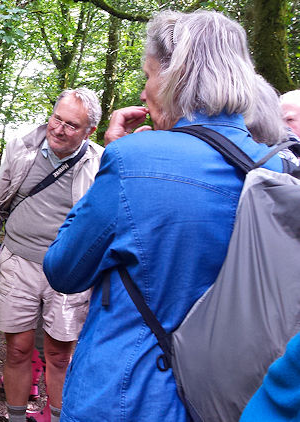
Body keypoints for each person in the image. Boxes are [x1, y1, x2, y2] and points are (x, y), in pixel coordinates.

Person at [43, 10, 284, 421]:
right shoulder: (279, 169)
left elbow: (64, 269)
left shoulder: (135, 159)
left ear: (177, 76)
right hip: (237, 397)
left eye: (149, 75)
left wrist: (115, 157)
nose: (143, 92)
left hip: (131, 392)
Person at [0, 88, 104, 422]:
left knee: (60, 356)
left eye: (71, 125)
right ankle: (16, 417)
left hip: (69, 271)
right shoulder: (22, 149)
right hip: (18, 261)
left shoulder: (101, 162)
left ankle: (59, 417)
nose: (59, 129)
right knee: (18, 349)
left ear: (89, 132)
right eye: (57, 118)